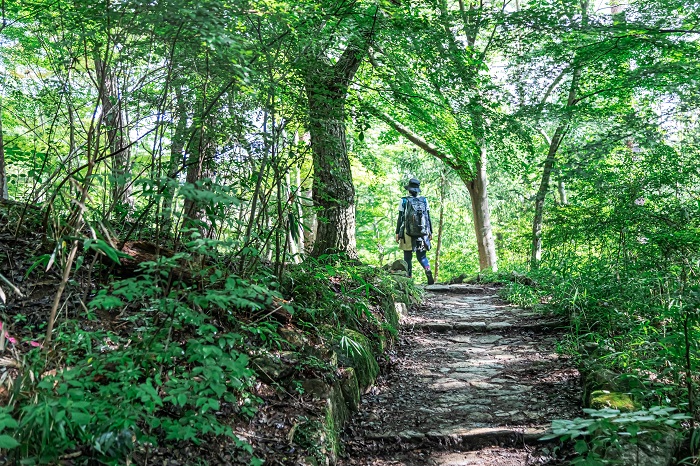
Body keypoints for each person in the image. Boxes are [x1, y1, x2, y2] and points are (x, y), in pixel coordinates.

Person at [395, 178, 435, 285]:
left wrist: (397, 233)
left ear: (409, 189)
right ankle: (427, 269)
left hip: (407, 232)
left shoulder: (404, 201)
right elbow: (428, 217)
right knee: (422, 257)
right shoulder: (424, 200)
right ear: (418, 189)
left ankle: (409, 279)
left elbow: (400, 218)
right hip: (422, 232)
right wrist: (430, 231)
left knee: (407, 257)